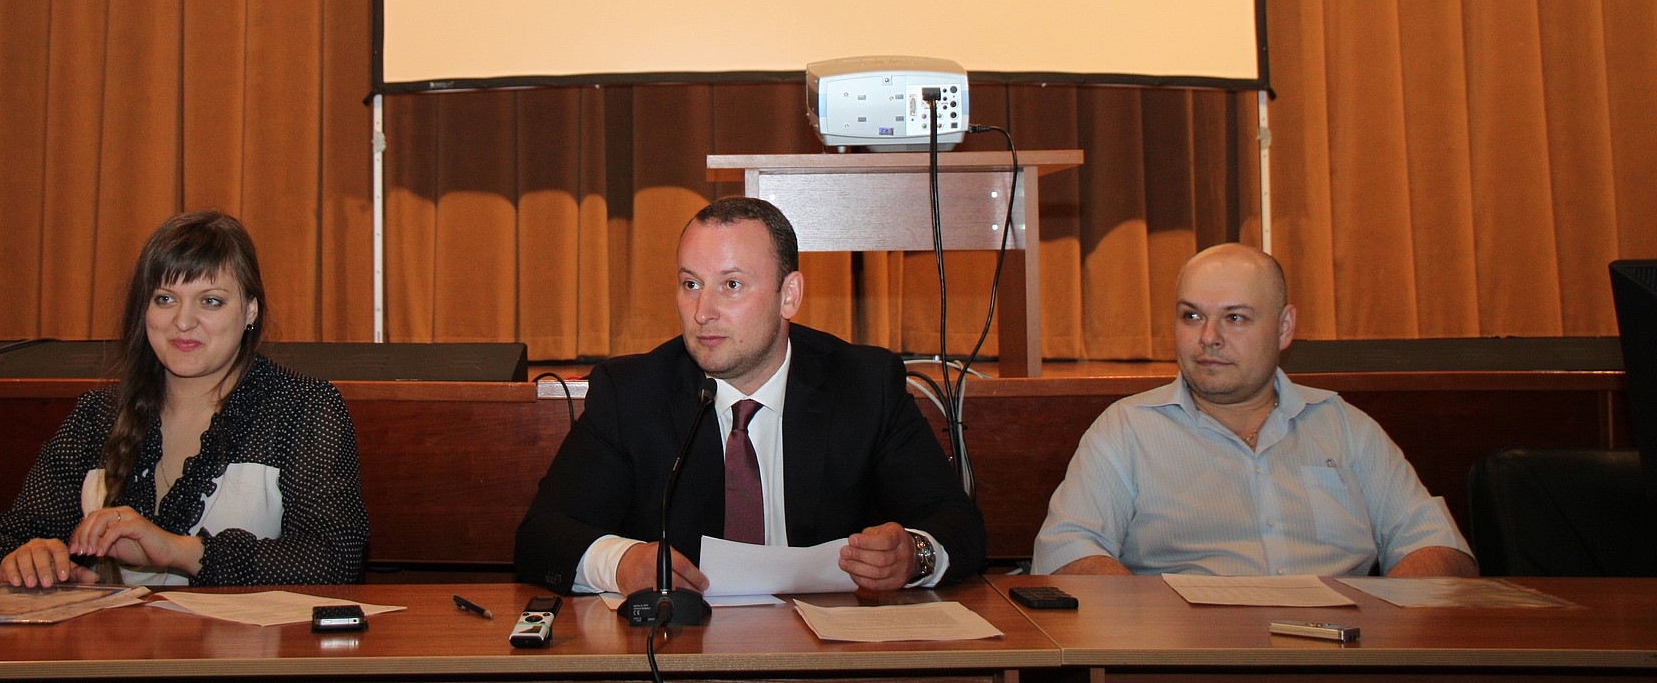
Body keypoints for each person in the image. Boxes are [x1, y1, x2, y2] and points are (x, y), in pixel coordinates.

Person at [515, 196, 987, 596]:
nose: (703, 312)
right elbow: (542, 536)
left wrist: (914, 556)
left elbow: (958, 524)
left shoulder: (863, 385)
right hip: (683, 653)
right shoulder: (633, 392)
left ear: (789, 295)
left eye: (732, 285)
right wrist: (620, 563)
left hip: (827, 654)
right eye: (691, 284)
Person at [0, 211, 368, 586]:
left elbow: (335, 559)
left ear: (250, 311)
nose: (183, 321)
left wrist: (179, 551)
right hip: (117, 638)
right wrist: (27, 560)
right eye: (165, 298)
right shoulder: (97, 415)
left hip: (248, 639)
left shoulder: (303, 407)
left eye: (210, 301)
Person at [1033, 242, 1476, 578]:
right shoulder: (1127, 430)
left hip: (1338, 650)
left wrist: (1382, 633)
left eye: (1235, 318)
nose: (1208, 337)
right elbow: (1066, 552)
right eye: (1191, 316)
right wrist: (1150, 626)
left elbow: (1439, 548)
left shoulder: (1344, 427)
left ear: (1284, 327)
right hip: (1189, 652)